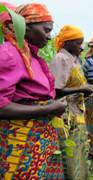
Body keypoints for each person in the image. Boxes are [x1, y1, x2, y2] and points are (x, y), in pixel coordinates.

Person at [0, 3, 66, 179]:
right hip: (20, 144)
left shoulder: (31, 57)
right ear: (26, 28)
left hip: (37, 141)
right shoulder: (9, 55)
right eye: (46, 30)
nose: (49, 36)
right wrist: (48, 109)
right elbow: (1, 106)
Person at [50, 25, 93, 179]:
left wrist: (86, 90)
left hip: (76, 112)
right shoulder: (60, 59)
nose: (81, 47)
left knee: (78, 151)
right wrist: (82, 90)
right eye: (78, 43)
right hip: (66, 116)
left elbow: (75, 85)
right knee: (70, 154)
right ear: (66, 42)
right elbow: (56, 91)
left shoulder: (74, 60)